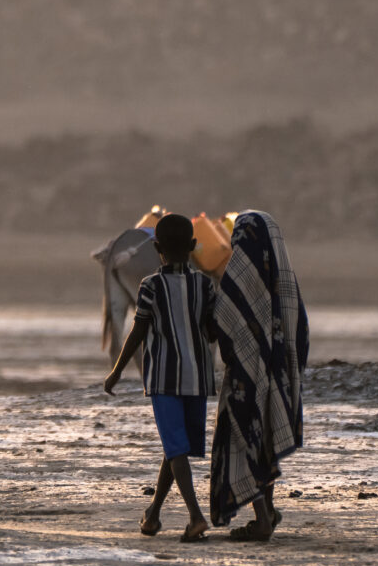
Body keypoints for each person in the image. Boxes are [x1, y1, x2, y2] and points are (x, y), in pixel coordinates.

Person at [102, 211, 218, 541]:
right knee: (176, 447)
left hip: (163, 379)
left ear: (156, 248)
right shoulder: (205, 285)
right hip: (197, 379)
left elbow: (137, 332)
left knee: (176, 447)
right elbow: (212, 333)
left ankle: (195, 517)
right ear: (195, 246)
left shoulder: (151, 286)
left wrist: (117, 370)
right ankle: (153, 514)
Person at [208, 209, 308, 541]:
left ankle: (262, 519)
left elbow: (221, 323)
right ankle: (269, 510)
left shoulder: (239, 276)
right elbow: (302, 335)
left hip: (245, 378)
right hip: (279, 378)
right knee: (264, 442)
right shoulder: (288, 283)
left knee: (244, 441)